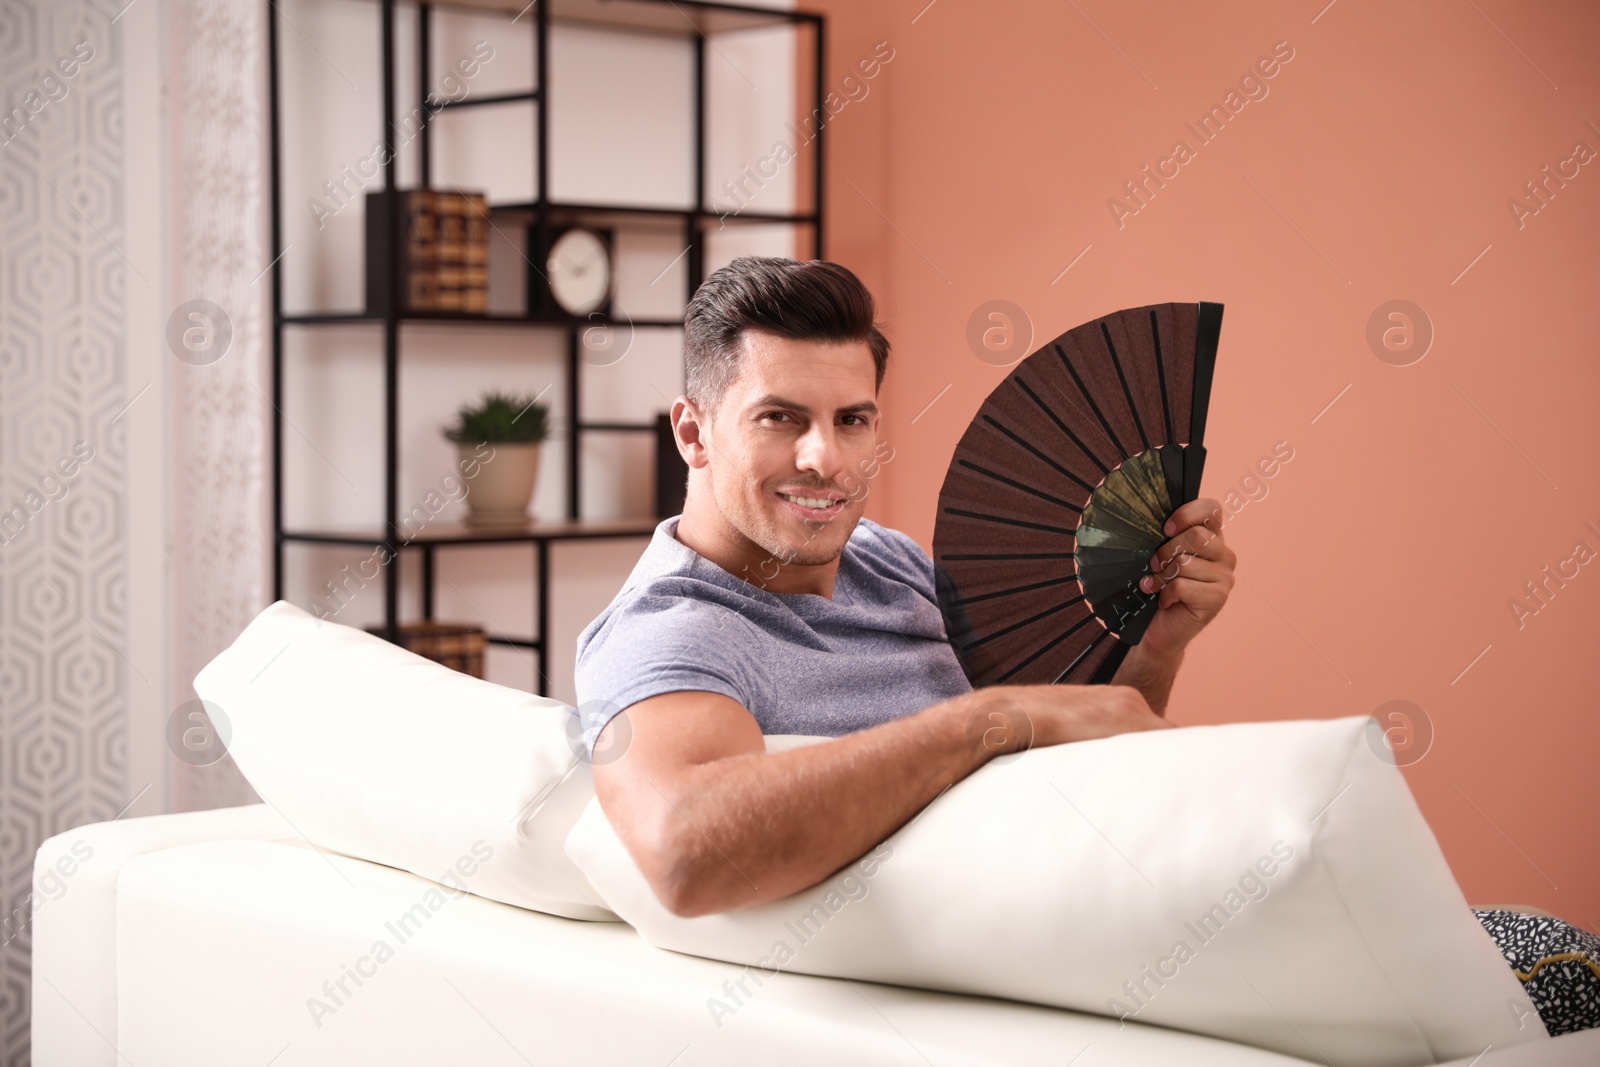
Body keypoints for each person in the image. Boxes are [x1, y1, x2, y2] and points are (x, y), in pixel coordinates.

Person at [574, 256, 1596, 1037]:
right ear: (693, 431)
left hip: (1122, 913)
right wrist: (989, 718)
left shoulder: (886, 562)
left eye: (852, 419)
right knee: (1560, 962)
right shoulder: (676, 628)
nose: (825, 458)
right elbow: (686, 851)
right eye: (779, 418)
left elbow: (1101, 744)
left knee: (1538, 944)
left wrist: (1159, 641)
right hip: (1080, 972)